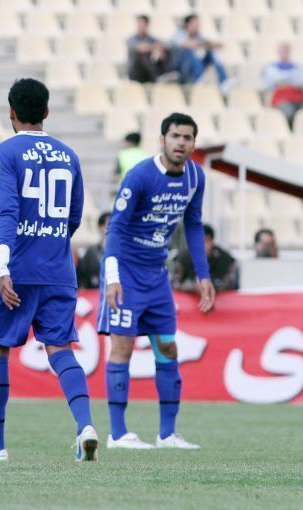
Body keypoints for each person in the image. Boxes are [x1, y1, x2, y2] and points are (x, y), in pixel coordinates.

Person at [0, 78, 98, 464]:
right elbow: (73, 217)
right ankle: (85, 426)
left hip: (17, 267)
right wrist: (50, 242)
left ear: (11, 112)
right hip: (58, 269)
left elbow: (7, 213)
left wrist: (3, 266)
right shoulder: (69, 155)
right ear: (47, 111)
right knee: (60, 349)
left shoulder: (5, 152)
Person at [97, 112, 215, 450]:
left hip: (157, 275)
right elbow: (115, 228)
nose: (181, 143)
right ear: (162, 139)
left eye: (187, 137)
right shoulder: (139, 176)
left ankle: (167, 434)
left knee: (168, 347)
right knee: (122, 347)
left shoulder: (195, 177)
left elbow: (193, 224)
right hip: (126, 274)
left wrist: (203, 274)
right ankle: (118, 434)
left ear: (193, 143)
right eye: (175, 136)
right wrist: (112, 277)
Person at [171, 14, 232, 92]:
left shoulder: (198, 36)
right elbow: (188, 44)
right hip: (181, 67)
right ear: (188, 24)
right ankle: (197, 80)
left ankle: (224, 82)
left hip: (195, 66)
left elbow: (210, 44)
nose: (198, 26)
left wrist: (211, 45)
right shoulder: (179, 34)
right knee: (190, 54)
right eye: (196, 23)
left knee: (211, 53)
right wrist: (205, 44)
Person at [172, 224, 238, 292]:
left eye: (206, 241)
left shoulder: (225, 259)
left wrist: (212, 285)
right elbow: (174, 283)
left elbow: (233, 284)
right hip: (188, 296)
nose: (202, 245)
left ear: (212, 242)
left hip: (218, 296)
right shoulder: (183, 258)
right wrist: (192, 286)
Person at [262, 43, 303, 128]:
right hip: (282, 98)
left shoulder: (297, 66)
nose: (285, 53)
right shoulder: (272, 67)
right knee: (289, 112)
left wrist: (287, 79)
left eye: (287, 50)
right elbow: (276, 79)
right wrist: (291, 78)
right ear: (279, 52)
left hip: (299, 98)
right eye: (283, 50)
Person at [127, 15, 171, 84]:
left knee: (165, 51)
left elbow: (164, 45)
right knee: (143, 55)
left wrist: (159, 50)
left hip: (148, 72)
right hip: (136, 73)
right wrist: (154, 48)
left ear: (147, 25)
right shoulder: (132, 39)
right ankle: (157, 77)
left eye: (143, 25)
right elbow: (141, 48)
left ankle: (166, 74)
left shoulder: (151, 39)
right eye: (139, 25)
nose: (141, 27)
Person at [77, 212, 110, 289]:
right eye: (108, 225)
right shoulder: (91, 252)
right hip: (94, 293)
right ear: (100, 227)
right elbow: (81, 276)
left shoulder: (120, 252)